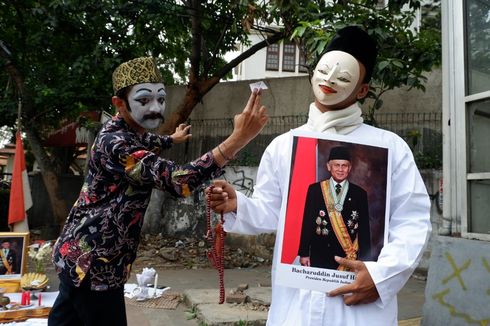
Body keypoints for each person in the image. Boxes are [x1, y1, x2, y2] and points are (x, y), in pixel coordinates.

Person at [208, 25, 431, 325]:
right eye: (325, 70)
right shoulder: (284, 146)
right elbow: (272, 211)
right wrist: (238, 204)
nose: (329, 81)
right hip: (295, 307)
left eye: (344, 77)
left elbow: (412, 223)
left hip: (357, 307)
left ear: (362, 90)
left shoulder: (391, 148)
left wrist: (380, 276)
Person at [48, 56, 268, 326]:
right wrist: (237, 139)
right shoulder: (115, 143)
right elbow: (179, 181)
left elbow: (152, 138)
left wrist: (171, 139)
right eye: (144, 101)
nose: (155, 108)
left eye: (161, 100)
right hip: (93, 264)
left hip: (82, 256)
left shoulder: (130, 130)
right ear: (119, 103)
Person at [298, 146, 371, 270]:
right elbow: (308, 222)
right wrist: (304, 253)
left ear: (350, 168)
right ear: (328, 166)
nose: (340, 169)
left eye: (344, 165)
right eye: (336, 165)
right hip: (320, 253)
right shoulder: (315, 190)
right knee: (319, 289)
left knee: (345, 290)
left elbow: (364, 228)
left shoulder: (360, 193)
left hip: (347, 256)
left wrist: (365, 259)